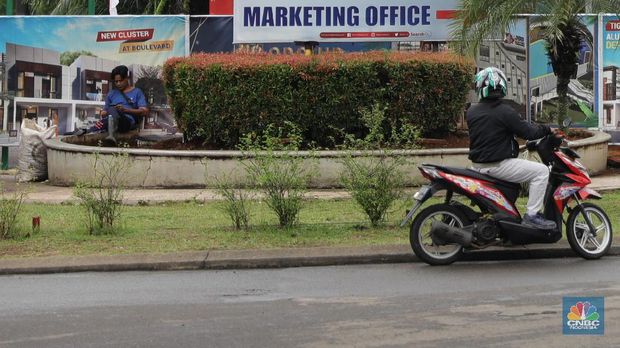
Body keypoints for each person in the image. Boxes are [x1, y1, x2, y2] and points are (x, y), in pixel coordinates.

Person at [467, 67, 556, 230]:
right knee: (542, 172)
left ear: (480, 87)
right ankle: (533, 215)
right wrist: (547, 129)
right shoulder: (505, 111)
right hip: (499, 165)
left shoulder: (471, 111)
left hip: (478, 166)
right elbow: (528, 132)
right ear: (502, 86)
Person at [73, 65, 149, 145]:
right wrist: (103, 113)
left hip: (126, 123)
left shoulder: (137, 92)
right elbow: (104, 112)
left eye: (121, 81)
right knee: (111, 111)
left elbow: (145, 111)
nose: (118, 84)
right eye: (116, 82)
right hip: (110, 121)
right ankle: (92, 131)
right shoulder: (111, 94)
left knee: (113, 110)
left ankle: (90, 129)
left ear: (126, 78)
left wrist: (126, 110)